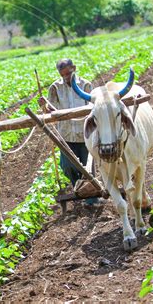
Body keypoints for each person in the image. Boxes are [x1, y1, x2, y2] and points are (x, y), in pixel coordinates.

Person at [39, 58, 99, 205]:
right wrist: (44, 106)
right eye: (63, 74)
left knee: (88, 168)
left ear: (74, 69)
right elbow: (50, 112)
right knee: (67, 167)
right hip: (66, 135)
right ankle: (78, 187)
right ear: (59, 73)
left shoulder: (85, 85)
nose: (67, 77)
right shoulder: (55, 88)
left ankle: (92, 198)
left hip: (85, 133)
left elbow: (93, 107)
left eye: (69, 73)